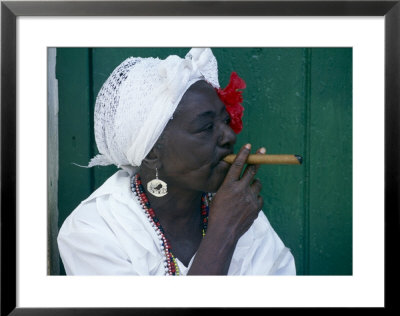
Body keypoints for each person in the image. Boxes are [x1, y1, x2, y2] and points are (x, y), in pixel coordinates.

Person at [57, 48, 296, 275]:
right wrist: (223, 233)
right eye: (206, 127)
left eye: (225, 121)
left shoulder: (239, 212)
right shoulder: (94, 230)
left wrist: (230, 222)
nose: (230, 136)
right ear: (151, 153)